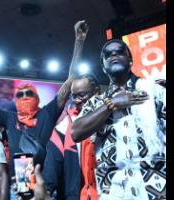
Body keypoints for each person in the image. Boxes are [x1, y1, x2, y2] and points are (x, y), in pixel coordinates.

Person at [0, 20, 89, 198]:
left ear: (37, 98)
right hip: (17, 188)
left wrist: (79, 41)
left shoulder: (46, 113)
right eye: (20, 95)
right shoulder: (10, 118)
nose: (24, 98)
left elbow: (71, 80)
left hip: (42, 186)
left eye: (28, 94)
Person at [71, 39, 166, 199]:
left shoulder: (154, 90)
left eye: (119, 51)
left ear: (130, 60)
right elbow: (76, 132)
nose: (113, 54)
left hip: (156, 190)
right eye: (108, 54)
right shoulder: (96, 102)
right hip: (114, 192)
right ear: (103, 67)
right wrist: (111, 104)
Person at [42, 74, 100, 200]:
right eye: (74, 96)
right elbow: (52, 166)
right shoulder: (64, 127)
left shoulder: (111, 117)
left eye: (82, 95)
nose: (77, 100)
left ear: (97, 91)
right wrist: (43, 190)